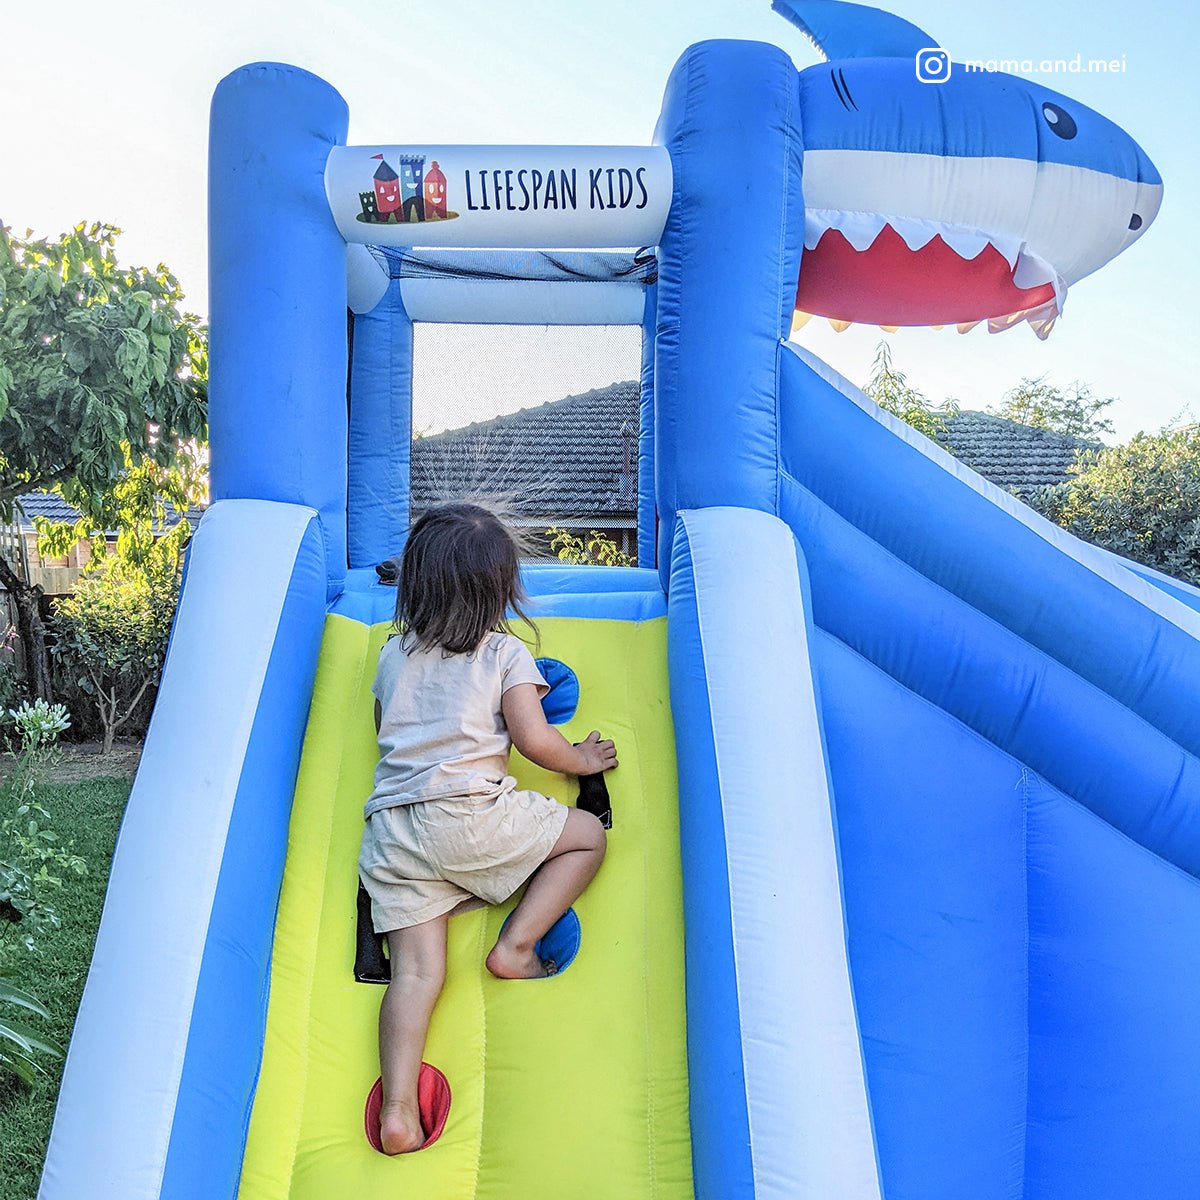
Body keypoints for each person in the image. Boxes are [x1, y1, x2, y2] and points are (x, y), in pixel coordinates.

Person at [359, 501, 616, 1155]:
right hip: (469, 816)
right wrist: (582, 760)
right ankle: (518, 946)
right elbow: (536, 743)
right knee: (589, 838)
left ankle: (396, 1108)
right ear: (502, 590)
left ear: (415, 586)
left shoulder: (393, 655)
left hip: (392, 833)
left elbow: (383, 729)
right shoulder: (503, 653)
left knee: (416, 975)